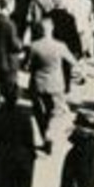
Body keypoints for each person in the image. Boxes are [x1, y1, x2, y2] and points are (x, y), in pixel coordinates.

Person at [25, 19, 75, 153]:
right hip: (56, 84)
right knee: (55, 111)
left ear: (41, 30)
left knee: (39, 113)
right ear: (52, 29)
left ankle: (45, 137)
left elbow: (27, 66)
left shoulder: (34, 46)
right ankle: (49, 134)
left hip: (38, 84)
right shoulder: (60, 46)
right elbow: (72, 61)